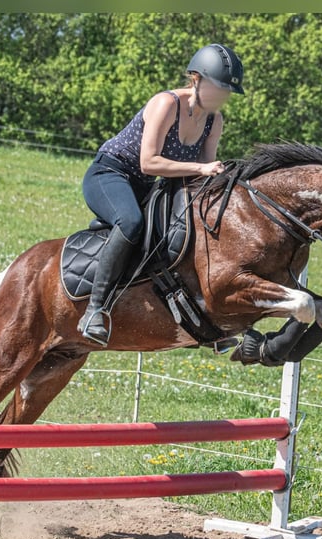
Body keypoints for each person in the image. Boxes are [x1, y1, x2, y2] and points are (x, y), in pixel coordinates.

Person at [78, 43, 245, 346]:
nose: (222, 97)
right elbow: (148, 161)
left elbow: (204, 170)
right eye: (218, 88)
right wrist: (201, 167)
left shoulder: (214, 121)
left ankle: (208, 323)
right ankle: (94, 310)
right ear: (196, 79)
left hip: (148, 186)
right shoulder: (166, 103)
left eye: (226, 92)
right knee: (130, 223)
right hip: (110, 174)